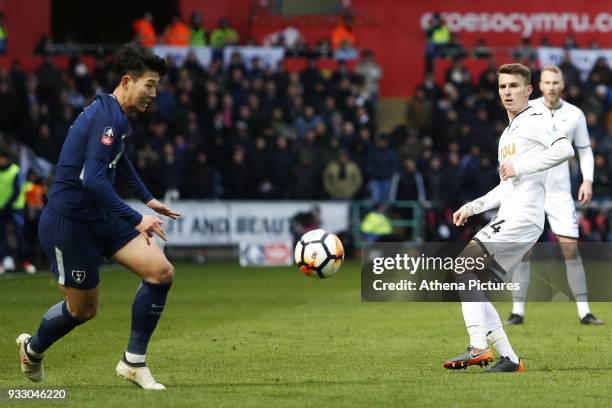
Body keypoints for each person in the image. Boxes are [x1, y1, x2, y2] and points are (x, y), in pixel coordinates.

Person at [16, 43, 180, 390]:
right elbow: (91, 180)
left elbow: (121, 161)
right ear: (127, 81)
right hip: (70, 224)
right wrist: (136, 218)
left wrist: (148, 199)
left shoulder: (115, 115)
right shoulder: (107, 117)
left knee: (161, 271)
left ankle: (133, 363)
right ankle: (32, 349)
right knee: (82, 311)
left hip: (100, 216)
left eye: (156, 86)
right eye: (149, 84)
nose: (154, 93)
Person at [445, 63, 574, 373]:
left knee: (463, 268)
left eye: (514, 86)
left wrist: (523, 167)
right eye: (503, 87)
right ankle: (509, 359)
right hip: (513, 214)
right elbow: (506, 187)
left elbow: (565, 149)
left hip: (523, 217)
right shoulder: (507, 134)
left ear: (529, 90)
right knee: (470, 279)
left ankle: (478, 346)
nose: (507, 92)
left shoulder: (537, 118)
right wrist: (472, 207)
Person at [507, 65, 603, 325]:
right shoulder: (528, 110)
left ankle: (585, 311)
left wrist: (588, 180)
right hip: (530, 190)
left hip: (560, 193)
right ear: (540, 86)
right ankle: (517, 311)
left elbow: (584, 150)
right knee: (523, 250)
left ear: (562, 86)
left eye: (555, 82)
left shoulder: (575, 115)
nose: (550, 86)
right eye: (546, 82)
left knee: (570, 250)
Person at [0, 147, 36, 274]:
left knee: (20, 236)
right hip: (1, 209)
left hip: (15, 208)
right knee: (1, 237)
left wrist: (6, 204)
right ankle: (2, 263)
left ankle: (26, 262)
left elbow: (17, 191)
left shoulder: (15, 171)